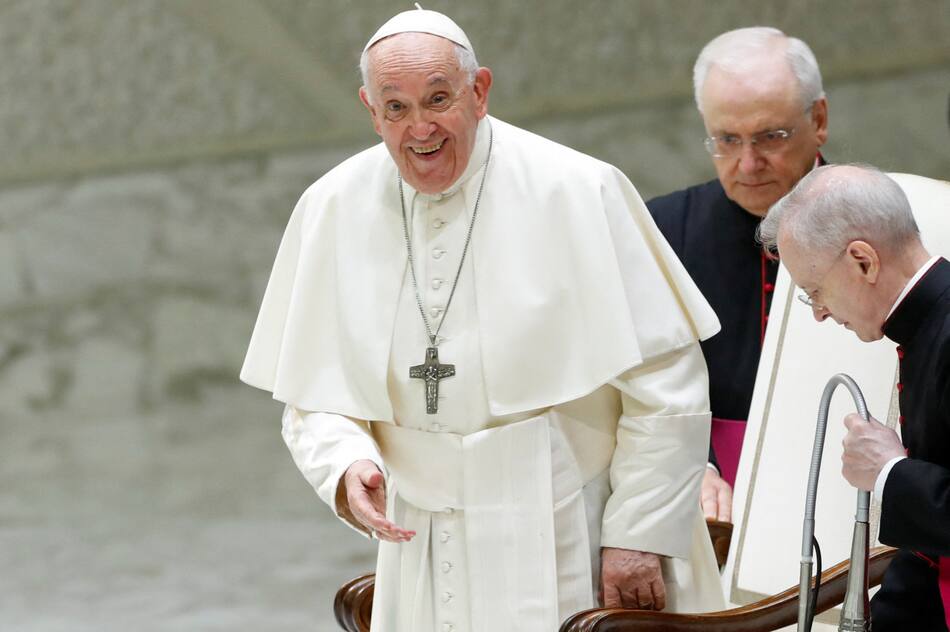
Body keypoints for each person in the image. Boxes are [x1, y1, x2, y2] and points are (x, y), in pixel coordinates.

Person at [240, 7, 725, 631]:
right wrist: (343, 463)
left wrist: (636, 533)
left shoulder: (578, 190)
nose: (420, 128)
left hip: (570, 519)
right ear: (369, 107)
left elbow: (668, 385)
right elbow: (312, 393)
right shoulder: (331, 207)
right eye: (396, 107)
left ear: (479, 91)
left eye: (438, 99)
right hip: (423, 535)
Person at [647, 27, 829, 522]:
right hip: (706, 504)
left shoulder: (883, 223)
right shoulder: (659, 230)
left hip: (841, 494)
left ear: (819, 120)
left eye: (771, 136)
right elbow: (637, 381)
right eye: (727, 140)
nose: (748, 164)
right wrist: (689, 464)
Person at [758, 164, 950, 631]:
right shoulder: (927, 326)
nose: (820, 313)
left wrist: (890, 472)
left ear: (863, 260)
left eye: (814, 291)